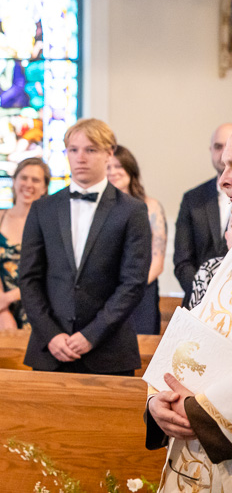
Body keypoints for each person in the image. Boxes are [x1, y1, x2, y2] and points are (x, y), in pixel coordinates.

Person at [18, 118, 151, 375]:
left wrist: (91, 334)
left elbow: (133, 283)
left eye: (90, 150)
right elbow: (28, 278)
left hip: (109, 351)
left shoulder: (132, 211)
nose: (80, 158)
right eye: (73, 150)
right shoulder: (43, 208)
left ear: (109, 153)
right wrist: (51, 335)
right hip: (50, 351)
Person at [145, 132, 232, 491]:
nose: (224, 181)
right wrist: (156, 400)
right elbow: (191, 339)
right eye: (225, 166)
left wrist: (197, 411)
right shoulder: (223, 264)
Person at [0, 157, 51, 329]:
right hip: (3, 310)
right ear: (14, 181)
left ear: (44, 188)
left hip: (39, 308)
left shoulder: (50, 222)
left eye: (35, 180)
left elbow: (49, 274)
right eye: (23, 178)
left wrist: (9, 297)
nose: (28, 184)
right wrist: (2, 309)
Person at [107, 145, 167, 334]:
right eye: (107, 167)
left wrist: (129, 290)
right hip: (106, 293)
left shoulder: (151, 206)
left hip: (142, 291)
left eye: (118, 166)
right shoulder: (99, 209)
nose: (113, 172)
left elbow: (157, 261)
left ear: (130, 169)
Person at [173, 122, 232, 306]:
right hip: (198, 302)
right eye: (217, 146)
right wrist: (204, 295)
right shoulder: (193, 198)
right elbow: (182, 261)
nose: (222, 152)